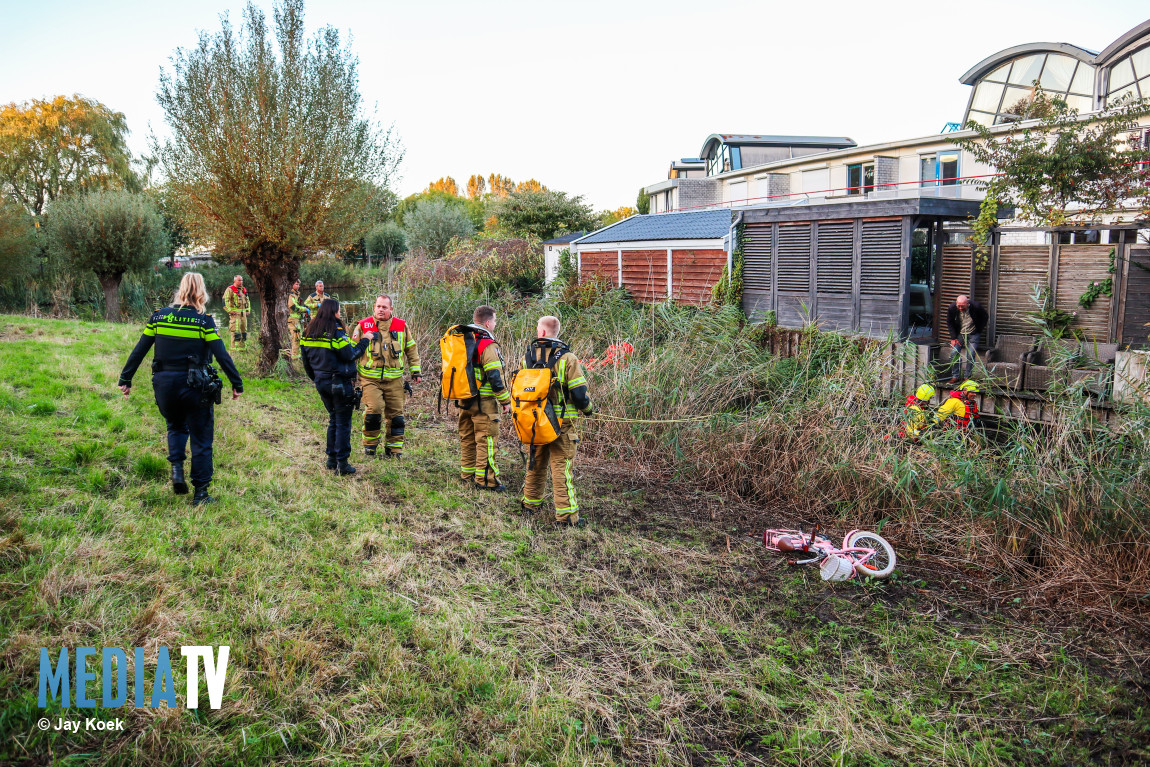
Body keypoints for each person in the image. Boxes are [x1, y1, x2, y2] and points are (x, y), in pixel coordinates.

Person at [118, 272, 243, 506]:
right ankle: (201, 493)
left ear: (181, 289)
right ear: (201, 291)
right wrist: (237, 383)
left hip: (164, 384)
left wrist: (126, 378)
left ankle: (177, 471)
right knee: (201, 438)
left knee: (175, 426)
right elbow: (221, 354)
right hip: (195, 386)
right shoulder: (203, 321)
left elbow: (140, 350)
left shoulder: (159, 317)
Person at [518, 315, 594, 527]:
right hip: (562, 423)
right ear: (556, 332)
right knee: (561, 468)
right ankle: (567, 517)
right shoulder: (568, 358)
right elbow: (579, 395)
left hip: (535, 422)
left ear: (541, 332)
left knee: (535, 462)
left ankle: (530, 505)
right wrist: (588, 410)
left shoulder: (527, 358)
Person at [300, 299, 373, 475]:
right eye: (339, 310)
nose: (340, 313)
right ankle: (343, 464)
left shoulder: (308, 331)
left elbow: (306, 362)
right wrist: (366, 340)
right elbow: (350, 354)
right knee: (342, 423)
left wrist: (317, 379)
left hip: (322, 383)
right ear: (334, 311)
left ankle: (331, 459)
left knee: (334, 419)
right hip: (339, 383)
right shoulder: (336, 331)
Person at [351, 295, 422, 458]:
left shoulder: (401, 326)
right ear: (374, 308)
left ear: (391, 309)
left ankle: (394, 450)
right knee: (374, 411)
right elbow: (351, 351)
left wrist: (415, 371)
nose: (381, 309)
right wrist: (350, 376)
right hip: (369, 380)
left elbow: (411, 349)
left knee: (396, 416)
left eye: (384, 307)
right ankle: (370, 446)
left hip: (395, 381)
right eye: (378, 306)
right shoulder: (363, 326)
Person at [456, 305, 511, 490]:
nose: (495, 324)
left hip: (463, 398)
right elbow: (494, 375)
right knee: (486, 441)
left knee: (468, 438)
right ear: (488, 322)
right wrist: (505, 400)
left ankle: (467, 474)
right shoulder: (487, 344)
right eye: (495, 321)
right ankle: (486, 481)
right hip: (484, 402)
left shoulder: (461, 339)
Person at [945, 295, 988, 383]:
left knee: (970, 354)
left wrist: (979, 330)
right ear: (956, 303)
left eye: (963, 306)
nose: (960, 308)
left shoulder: (976, 306)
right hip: (960, 334)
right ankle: (955, 376)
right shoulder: (952, 308)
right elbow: (950, 322)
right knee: (954, 353)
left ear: (967, 304)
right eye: (959, 306)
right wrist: (953, 337)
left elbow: (985, 317)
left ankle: (967, 377)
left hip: (973, 334)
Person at [223, 274, 251, 350]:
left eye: (241, 280)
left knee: (244, 331)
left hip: (243, 314)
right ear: (234, 281)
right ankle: (234, 349)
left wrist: (248, 310)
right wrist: (229, 311)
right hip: (235, 315)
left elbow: (247, 300)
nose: (241, 282)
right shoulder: (230, 289)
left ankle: (242, 348)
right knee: (235, 331)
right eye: (239, 280)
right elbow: (224, 301)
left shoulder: (243, 290)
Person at [286, 279, 309, 360]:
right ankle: (295, 357)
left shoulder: (296, 295)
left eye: (299, 285)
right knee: (295, 337)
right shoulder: (290, 295)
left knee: (298, 337)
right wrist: (304, 309)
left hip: (296, 319)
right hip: (292, 320)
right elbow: (293, 307)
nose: (298, 286)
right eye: (296, 284)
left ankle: (297, 355)